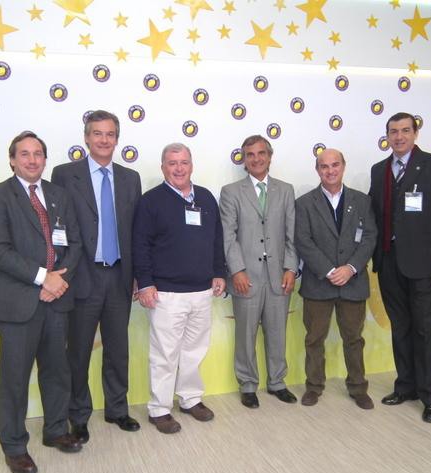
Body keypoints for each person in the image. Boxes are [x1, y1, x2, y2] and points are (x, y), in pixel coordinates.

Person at [0, 131, 83, 473]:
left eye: (38, 153)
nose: (32, 160)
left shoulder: (59, 195)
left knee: (57, 371)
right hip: (18, 304)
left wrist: (59, 281)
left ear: (45, 159)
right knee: (14, 379)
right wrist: (42, 278)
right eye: (24, 154)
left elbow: (75, 243)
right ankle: (14, 446)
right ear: (12, 160)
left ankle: (56, 430)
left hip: (57, 300)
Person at [51, 110, 142, 442]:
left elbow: (136, 231)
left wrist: (138, 275)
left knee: (118, 349)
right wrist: (61, 271)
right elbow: (57, 227)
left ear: (117, 139)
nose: (104, 140)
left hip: (119, 276)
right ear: (86, 138)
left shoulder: (130, 178)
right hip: (82, 276)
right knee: (77, 351)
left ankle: (117, 409)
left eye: (110, 134)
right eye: (97, 133)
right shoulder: (65, 174)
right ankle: (78, 415)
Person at [369, 112, 431, 423]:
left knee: (424, 330)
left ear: (415, 134)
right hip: (388, 260)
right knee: (401, 327)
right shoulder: (379, 170)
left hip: (423, 263)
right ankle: (406, 387)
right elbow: (374, 214)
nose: (399, 137)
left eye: (405, 130)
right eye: (393, 131)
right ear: (387, 135)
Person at [133, 143, 226, 434]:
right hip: (166, 293)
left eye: (184, 162)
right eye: (172, 163)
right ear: (163, 167)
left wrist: (219, 272)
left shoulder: (206, 198)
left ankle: (190, 399)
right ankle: (159, 409)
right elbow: (140, 245)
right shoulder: (150, 201)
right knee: (165, 354)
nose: (178, 168)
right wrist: (145, 283)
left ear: (191, 165)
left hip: (201, 291)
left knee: (194, 351)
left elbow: (217, 239)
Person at [219, 135, 298, 409]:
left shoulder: (286, 190)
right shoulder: (231, 192)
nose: (256, 159)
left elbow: (292, 234)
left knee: (278, 333)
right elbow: (228, 236)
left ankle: (277, 382)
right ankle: (248, 385)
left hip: (279, 276)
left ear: (269, 156)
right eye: (250, 154)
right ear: (244, 159)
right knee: (245, 335)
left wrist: (291, 268)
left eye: (261, 153)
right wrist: (237, 270)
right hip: (246, 278)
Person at [295, 148, 377, 409]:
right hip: (319, 283)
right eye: (324, 166)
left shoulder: (362, 201)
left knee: (354, 339)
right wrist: (330, 271)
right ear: (317, 170)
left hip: (353, 282)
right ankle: (313, 387)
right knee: (314, 339)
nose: (330, 171)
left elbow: (369, 238)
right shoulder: (304, 203)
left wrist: (350, 268)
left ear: (343, 166)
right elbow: (303, 241)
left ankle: (358, 388)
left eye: (335, 165)